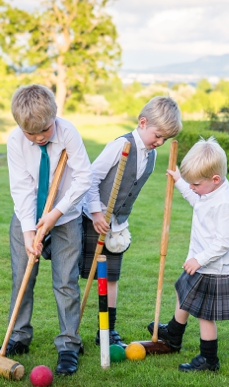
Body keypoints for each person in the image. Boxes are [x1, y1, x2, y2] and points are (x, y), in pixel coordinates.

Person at [2, 84, 92, 376]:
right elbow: (22, 187)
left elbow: (83, 179)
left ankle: (68, 344)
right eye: (32, 134)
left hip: (65, 216)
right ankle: (18, 336)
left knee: (66, 281)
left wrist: (55, 214)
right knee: (22, 278)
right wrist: (29, 232)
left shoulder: (68, 133)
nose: (40, 138)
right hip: (26, 215)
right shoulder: (15, 141)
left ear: (55, 116)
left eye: (45, 131)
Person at [80, 96, 183, 348]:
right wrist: (95, 213)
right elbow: (90, 179)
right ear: (142, 122)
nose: (159, 142)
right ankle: (70, 331)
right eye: (157, 135)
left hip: (117, 225)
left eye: (165, 140)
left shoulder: (152, 155)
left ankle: (107, 330)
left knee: (111, 277)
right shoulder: (120, 145)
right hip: (93, 218)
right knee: (83, 275)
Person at [146, 137, 229, 372]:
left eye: (196, 184)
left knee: (203, 315)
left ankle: (209, 360)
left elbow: (223, 243)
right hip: (202, 264)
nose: (193, 188)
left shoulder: (225, 205)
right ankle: (174, 333)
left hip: (214, 269)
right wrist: (180, 181)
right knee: (184, 292)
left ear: (215, 179)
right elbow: (196, 200)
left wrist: (198, 259)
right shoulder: (208, 193)